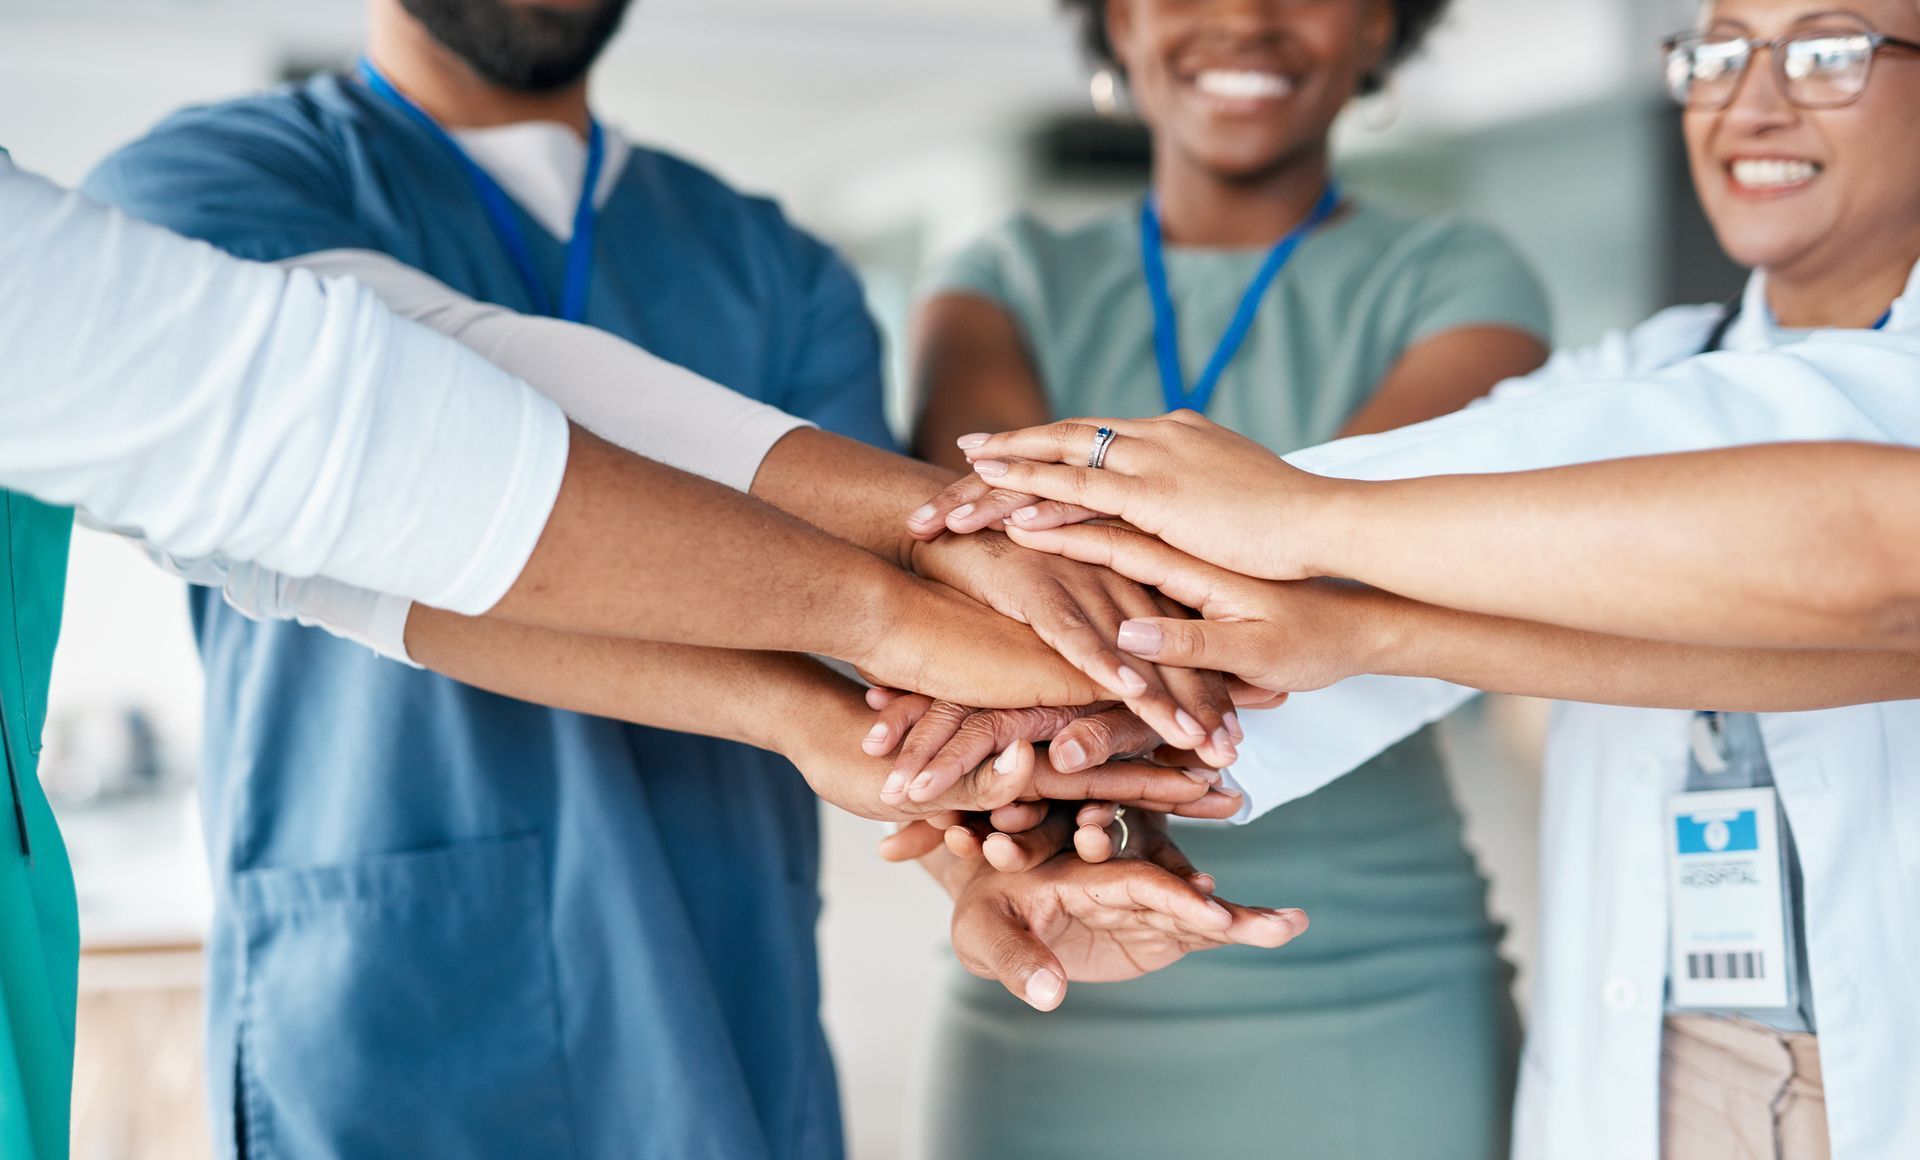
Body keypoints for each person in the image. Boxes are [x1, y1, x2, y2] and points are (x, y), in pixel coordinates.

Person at [79, 2, 1245, 1155]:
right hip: (388, 990)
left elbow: (889, 667)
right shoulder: (207, 185)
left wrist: (991, 847)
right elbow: (421, 424)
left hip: (715, 983)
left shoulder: (776, 268)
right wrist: (934, 541)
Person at [936, 0, 1920, 1153]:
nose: (1753, 100)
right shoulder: (1638, 373)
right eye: (1718, 52)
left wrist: (1308, 523)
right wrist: (1073, 762)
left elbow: (1871, 554)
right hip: (1659, 1065)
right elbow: (1417, 571)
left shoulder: (1492, 300)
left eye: (1827, 50)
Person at [904, 0, 1551, 1154]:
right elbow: (975, 566)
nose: (1244, 18)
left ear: (1379, 27)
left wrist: (1061, 577)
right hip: (1048, 932)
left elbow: (1349, 564)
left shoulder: (1462, 277)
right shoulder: (1001, 277)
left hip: (1368, 973)